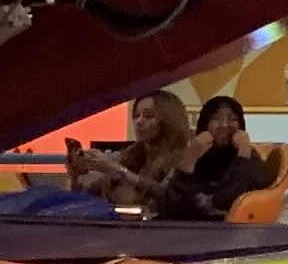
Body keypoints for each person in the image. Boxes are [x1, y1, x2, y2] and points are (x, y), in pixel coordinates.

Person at [154, 94, 279, 221]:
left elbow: (226, 203)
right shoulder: (192, 153)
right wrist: (190, 159)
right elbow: (172, 208)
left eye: (232, 119)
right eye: (215, 118)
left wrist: (242, 158)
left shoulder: (249, 158)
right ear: (204, 123)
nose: (224, 125)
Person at [65, 89, 193, 211]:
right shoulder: (128, 156)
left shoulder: (185, 160)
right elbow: (82, 201)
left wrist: (119, 171)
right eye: (136, 116)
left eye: (148, 116)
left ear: (168, 120)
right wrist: (75, 177)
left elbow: (168, 197)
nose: (139, 121)